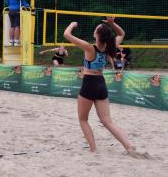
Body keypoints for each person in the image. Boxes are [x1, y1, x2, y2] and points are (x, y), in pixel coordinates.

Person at [63, 17, 148, 157]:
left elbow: (66, 34)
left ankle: (93, 150)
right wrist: (112, 23)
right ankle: (129, 146)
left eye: (96, 28)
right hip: (101, 83)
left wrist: (72, 24)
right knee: (107, 121)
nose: (95, 29)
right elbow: (121, 34)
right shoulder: (110, 47)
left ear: (97, 34)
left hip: (89, 83)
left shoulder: (89, 47)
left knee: (83, 119)